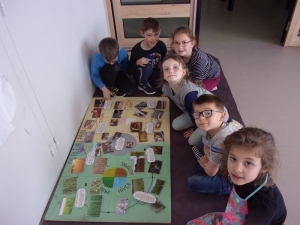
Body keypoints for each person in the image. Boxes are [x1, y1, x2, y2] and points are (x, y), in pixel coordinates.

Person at [187, 127, 287, 225]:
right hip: (234, 214)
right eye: (233, 159)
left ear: (264, 167)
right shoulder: (243, 177)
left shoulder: (266, 207)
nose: (236, 169)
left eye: (248, 163)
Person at [160, 53, 229, 147]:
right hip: (196, 111)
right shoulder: (165, 88)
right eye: (166, 69)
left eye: (175, 67)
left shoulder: (189, 93)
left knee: (193, 141)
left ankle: (218, 129)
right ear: (163, 75)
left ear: (184, 72)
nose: (171, 71)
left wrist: (196, 128)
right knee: (176, 125)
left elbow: (195, 112)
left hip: (213, 113)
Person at [188, 94, 240, 195]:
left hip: (230, 176)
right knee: (199, 144)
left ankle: (228, 187)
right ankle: (210, 161)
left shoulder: (221, 139)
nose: (201, 118)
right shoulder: (209, 127)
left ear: (222, 116)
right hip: (217, 155)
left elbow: (210, 173)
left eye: (208, 113)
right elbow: (204, 145)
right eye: (197, 114)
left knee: (193, 181)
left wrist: (205, 164)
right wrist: (208, 154)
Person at [171, 27, 220, 91]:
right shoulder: (176, 53)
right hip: (193, 72)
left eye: (184, 42)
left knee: (196, 93)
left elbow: (196, 84)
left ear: (192, 43)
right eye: (176, 43)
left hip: (210, 77)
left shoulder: (199, 61)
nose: (180, 47)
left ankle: (212, 87)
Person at [128, 17, 167, 94]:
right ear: (142, 33)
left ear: (160, 32)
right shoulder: (136, 49)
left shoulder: (161, 45)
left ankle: (151, 82)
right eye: (149, 35)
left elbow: (165, 61)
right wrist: (137, 62)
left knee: (163, 88)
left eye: (156, 34)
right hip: (140, 74)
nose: (153, 39)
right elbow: (129, 70)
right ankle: (142, 85)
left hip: (154, 72)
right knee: (148, 67)